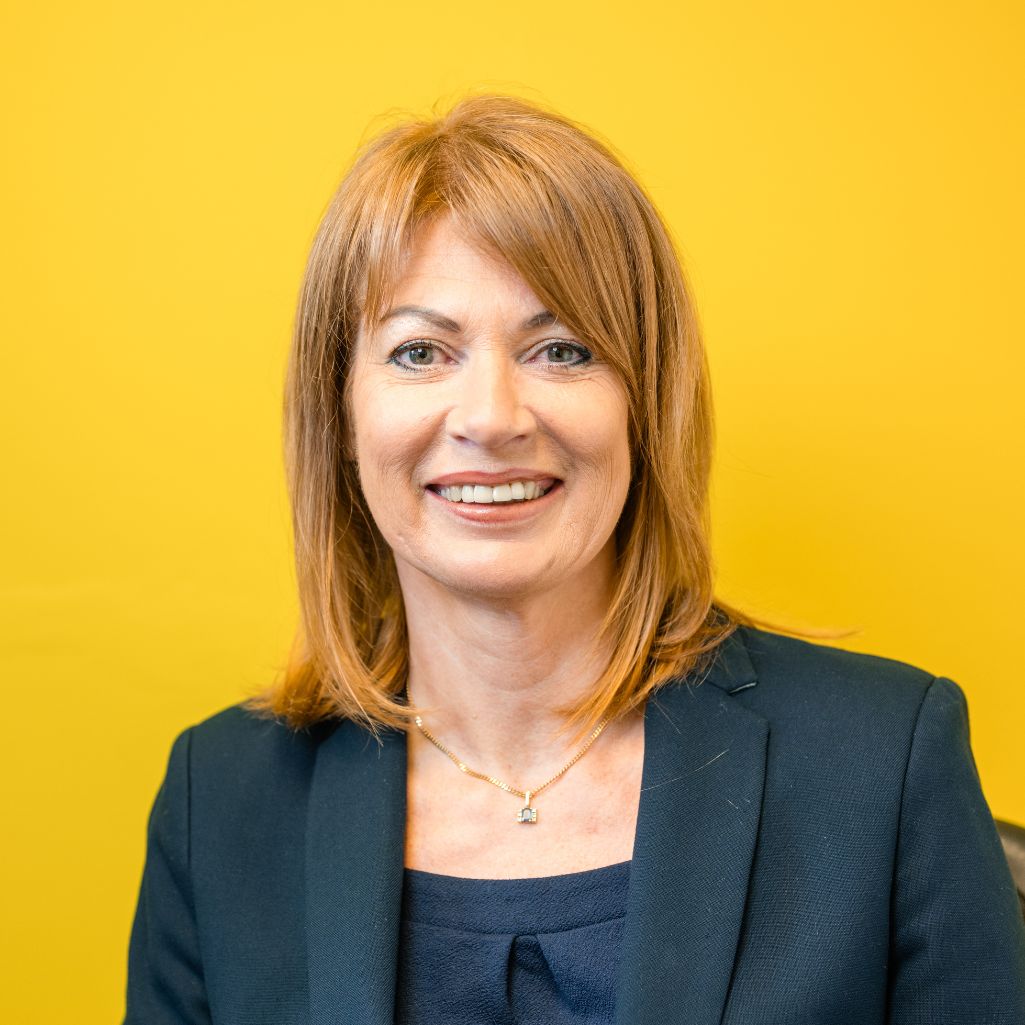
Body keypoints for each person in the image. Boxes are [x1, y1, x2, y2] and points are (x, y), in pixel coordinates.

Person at [122, 94, 1025, 1024]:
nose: (491, 416)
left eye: (561, 349)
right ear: (341, 411)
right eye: (421, 351)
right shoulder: (218, 798)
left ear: (645, 402)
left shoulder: (882, 759)